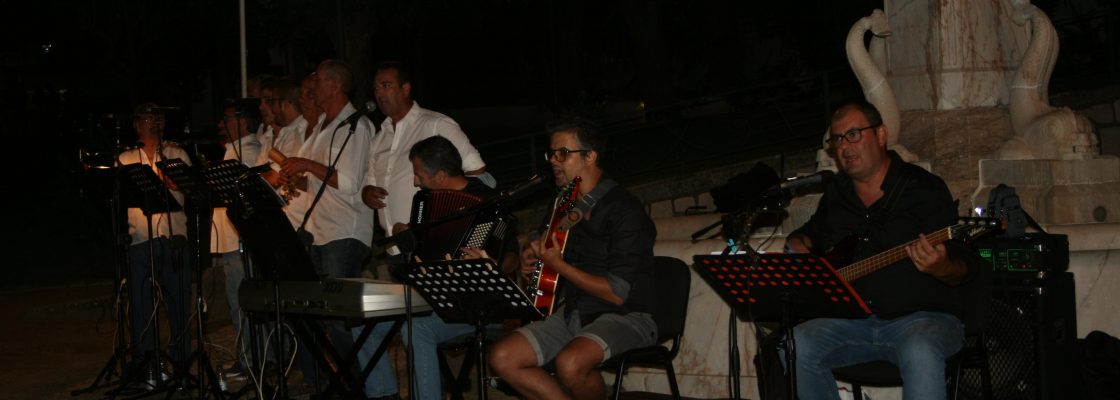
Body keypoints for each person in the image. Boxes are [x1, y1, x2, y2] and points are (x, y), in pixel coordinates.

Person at [782, 101, 978, 400]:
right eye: (837, 139)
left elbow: (964, 267)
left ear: (881, 135)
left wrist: (942, 267)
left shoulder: (924, 189)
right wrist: (798, 244)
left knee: (920, 349)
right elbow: (810, 235)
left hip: (923, 320)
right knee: (794, 345)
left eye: (853, 135)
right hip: (853, 321)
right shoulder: (837, 193)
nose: (844, 147)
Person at [488, 117, 658, 400]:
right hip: (575, 312)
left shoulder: (625, 210)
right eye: (552, 153)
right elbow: (545, 247)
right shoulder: (565, 204)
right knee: (503, 357)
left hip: (628, 316)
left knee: (570, 364)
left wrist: (558, 265)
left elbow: (617, 293)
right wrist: (533, 258)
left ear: (590, 156)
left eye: (563, 153)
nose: (554, 161)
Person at [354, 136, 519, 400]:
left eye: (418, 174)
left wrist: (489, 262)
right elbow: (421, 246)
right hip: (433, 299)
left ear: (440, 175)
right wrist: (404, 232)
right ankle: (383, 394)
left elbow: (513, 259)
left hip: (477, 308)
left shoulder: (490, 203)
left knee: (416, 328)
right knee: (363, 321)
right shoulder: (425, 201)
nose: (415, 181)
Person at [279, 59, 375, 385]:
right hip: (317, 232)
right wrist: (297, 177)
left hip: (343, 233)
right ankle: (337, 380)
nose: (312, 87)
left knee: (340, 317)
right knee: (320, 314)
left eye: (318, 81)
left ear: (334, 85)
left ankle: (361, 383)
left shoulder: (355, 127)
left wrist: (306, 164)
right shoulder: (323, 127)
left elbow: (348, 182)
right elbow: (318, 182)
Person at [362, 61, 492, 257]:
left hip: (433, 243)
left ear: (405, 89)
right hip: (394, 247)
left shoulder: (437, 124)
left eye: (386, 85)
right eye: (376, 88)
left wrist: (449, 216)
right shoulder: (378, 140)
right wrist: (367, 193)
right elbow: (369, 184)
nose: (379, 93)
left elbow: (477, 172)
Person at [117, 102, 194, 379]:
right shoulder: (126, 158)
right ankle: (147, 364)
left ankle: (181, 363)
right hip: (141, 238)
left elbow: (191, 190)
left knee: (179, 303)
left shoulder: (177, 153)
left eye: (158, 118)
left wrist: (177, 183)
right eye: (148, 118)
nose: (154, 123)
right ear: (136, 124)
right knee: (141, 305)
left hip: (174, 237)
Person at [209, 103, 264, 376]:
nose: (222, 125)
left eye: (227, 119)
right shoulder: (235, 150)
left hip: (240, 242)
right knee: (238, 303)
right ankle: (251, 358)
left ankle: (251, 360)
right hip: (232, 241)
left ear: (242, 123)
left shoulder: (247, 151)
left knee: (241, 303)